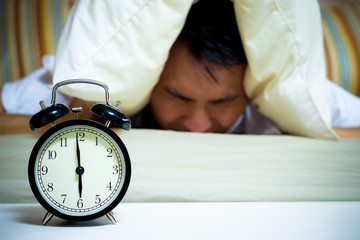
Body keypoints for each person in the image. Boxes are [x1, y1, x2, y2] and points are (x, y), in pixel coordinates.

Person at [1, 0, 360, 137]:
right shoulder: (84, 91)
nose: (198, 126)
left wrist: (311, 138)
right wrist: (76, 120)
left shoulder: (280, 94)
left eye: (223, 102)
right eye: (177, 95)